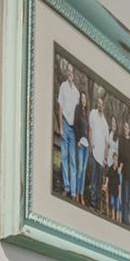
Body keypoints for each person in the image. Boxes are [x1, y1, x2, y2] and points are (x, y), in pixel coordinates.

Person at [56, 64, 80, 199]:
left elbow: (78, 114)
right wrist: (60, 127)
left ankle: (74, 191)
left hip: (73, 129)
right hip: (64, 124)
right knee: (64, 157)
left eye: (72, 72)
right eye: (68, 71)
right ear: (67, 73)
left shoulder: (76, 92)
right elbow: (60, 108)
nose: (70, 74)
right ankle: (66, 187)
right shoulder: (63, 87)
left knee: (72, 160)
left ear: (74, 75)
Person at [88, 95, 110, 212]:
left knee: (99, 181)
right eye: (98, 103)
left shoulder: (105, 123)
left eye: (101, 104)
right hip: (94, 152)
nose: (99, 105)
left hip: (101, 158)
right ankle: (92, 203)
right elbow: (90, 130)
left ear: (104, 106)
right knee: (93, 179)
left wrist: (106, 157)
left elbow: (107, 143)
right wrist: (91, 144)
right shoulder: (93, 113)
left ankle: (97, 206)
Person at [117, 119, 130, 228]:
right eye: (124, 127)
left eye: (127, 128)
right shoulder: (121, 140)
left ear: (129, 130)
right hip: (124, 173)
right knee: (124, 197)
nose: (125, 129)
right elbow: (121, 156)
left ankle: (128, 218)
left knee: (129, 197)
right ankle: (125, 220)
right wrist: (120, 167)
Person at [73, 90, 91, 203]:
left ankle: (81, 194)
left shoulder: (86, 113)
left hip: (86, 145)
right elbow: (75, 125)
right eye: (82, 98)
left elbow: (88, 130)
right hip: (80, 143)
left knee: (83, 171)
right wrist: (78, 139)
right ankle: (75, 194)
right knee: (79, 169)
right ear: (80, 99)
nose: (83, 100)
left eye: (85, 99)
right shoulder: (77, 110)